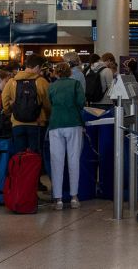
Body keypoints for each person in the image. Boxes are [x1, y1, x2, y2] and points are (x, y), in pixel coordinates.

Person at [45, 61, 86, 210]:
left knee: (56, 161)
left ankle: (58, 199)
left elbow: (48, 105)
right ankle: (74, 197)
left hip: (55, 124)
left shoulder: (52, 86)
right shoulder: (75, 84)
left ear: (56, 73)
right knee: (73, 160)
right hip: (73, 122)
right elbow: (81, 102)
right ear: (70, 72)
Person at [0, 52, 50, 157]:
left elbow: (4, 100)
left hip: (17, 123)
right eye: (40, 68)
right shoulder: (41, 82)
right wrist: (47, 116)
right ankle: (33, 173)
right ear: (36, 67)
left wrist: (9, 112)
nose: (41, 71)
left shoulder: (12, 81)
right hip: (37, 124)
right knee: (35, 156)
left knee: (19, 154)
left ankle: (20, 172)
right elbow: (48, 103)